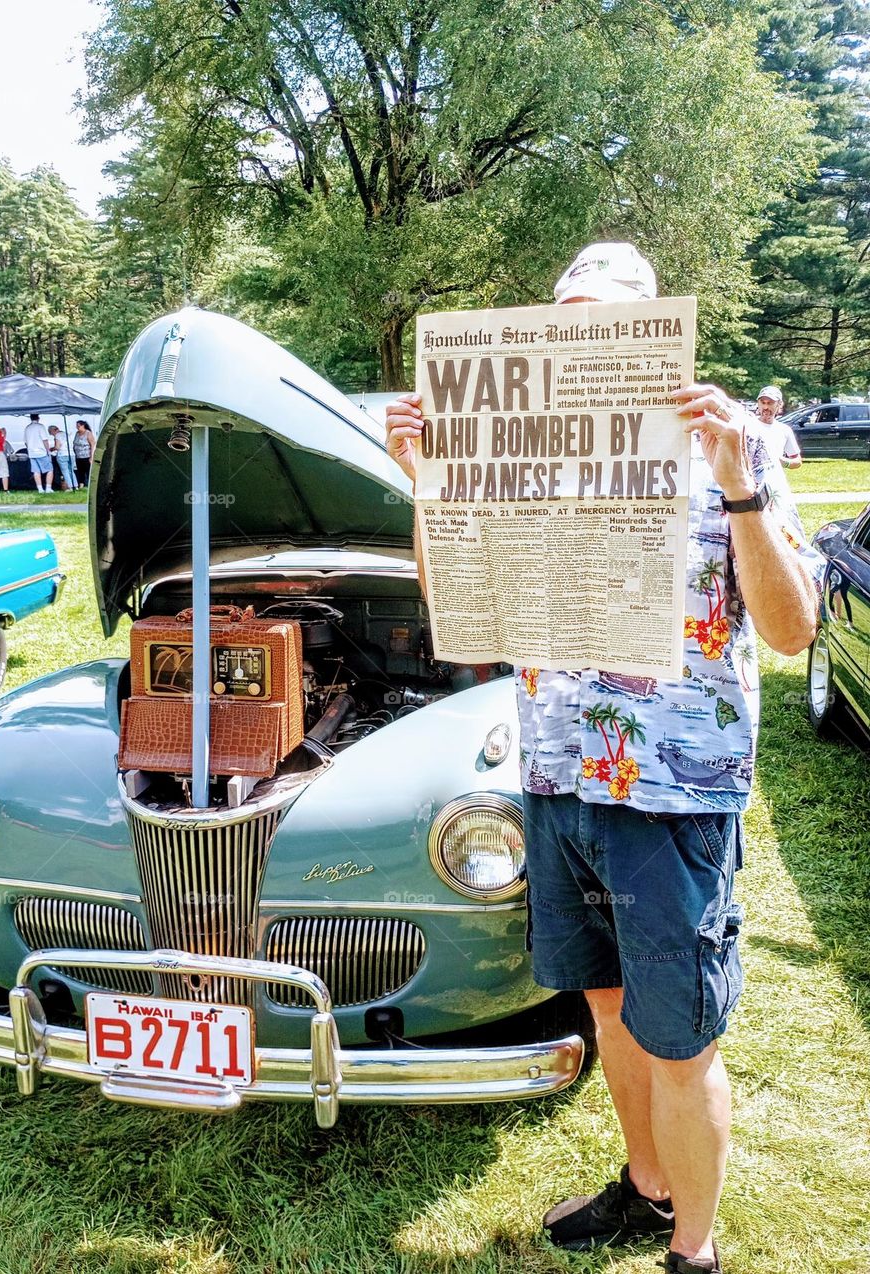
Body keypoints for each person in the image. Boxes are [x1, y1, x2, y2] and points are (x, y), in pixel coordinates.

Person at [385, 242, 822, 1274]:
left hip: (673, 794)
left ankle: (695, 1249)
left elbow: (795, 630)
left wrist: (742, 489)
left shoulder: (741, 445)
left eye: (606, 319)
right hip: (557, 778)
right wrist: (426, 479)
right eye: (568, 316)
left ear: (653, 328)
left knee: (681, 1035)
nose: (585, 335)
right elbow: (454, 602)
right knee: (611, 1009)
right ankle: (645, 1183)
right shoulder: (527, 453)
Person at [754, 385, 801, 469]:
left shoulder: (784, 430)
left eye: (770, 403)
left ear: (779, 405)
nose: (765, 407)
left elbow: (797, 461)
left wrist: (784, 462)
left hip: (774, 480)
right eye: (763, 403)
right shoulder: (747, 426)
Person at [47, 424, 78, 491]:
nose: (51, 435)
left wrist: (51, 449)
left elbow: (57, 447)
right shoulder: (66, 434)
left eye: (50, 433)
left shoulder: (57, 436)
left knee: (65, 471)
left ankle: (70, 487)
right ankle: (75, 486)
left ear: (53, 431)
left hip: (62, 454)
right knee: (71, 470)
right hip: (71, 454)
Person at [72, 419, 96, 488]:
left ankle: (90, 485)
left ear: (83, 425)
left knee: (88, 471)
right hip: (78, 456)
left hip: (86, 455)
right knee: (80, 471)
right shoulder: (77, 433)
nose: (77, 427)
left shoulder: (88, 433)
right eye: (77, 426)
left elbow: (92, 444)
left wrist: (91, 456)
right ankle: (81, 485)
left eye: (78, 426)